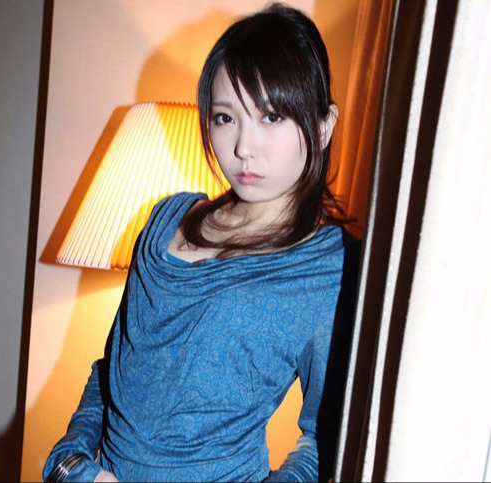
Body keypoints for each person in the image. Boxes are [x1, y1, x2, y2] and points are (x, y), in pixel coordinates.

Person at [43, 3, 361, 482]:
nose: (243, 148)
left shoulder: (329, 268)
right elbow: (111, 372)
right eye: (225, 117)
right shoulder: (164, 219)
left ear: (323, 125)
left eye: (272, 116)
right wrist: (70, 463)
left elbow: (324, 439)